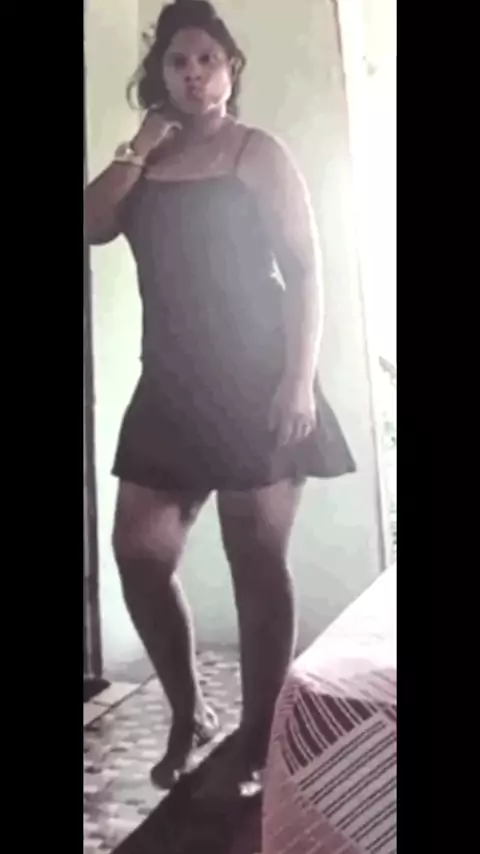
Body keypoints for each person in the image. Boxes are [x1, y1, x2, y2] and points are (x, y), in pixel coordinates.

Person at [85, 0, 355, 798]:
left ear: (232, 68)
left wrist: (298, 379)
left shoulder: (256, 152)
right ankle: (189, 711)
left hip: (257, 380)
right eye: (178, 61)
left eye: (208, 59)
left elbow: (305, 272)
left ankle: (261, 738)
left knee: (257, 560)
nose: (194, 74)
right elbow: (93, 224)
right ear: (159, 75)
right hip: (169, 386)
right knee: (140, 556)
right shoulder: (146, 162)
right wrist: (140, 144)